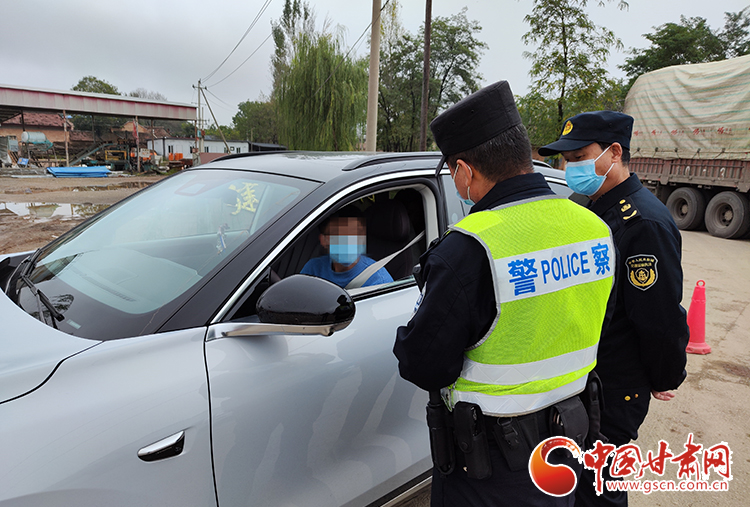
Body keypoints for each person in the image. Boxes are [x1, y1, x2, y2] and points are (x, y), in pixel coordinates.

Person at [393, 81, 615, 506]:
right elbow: (598, 316)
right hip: (569, 437)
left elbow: (424, 365)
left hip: (492, 467)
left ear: (464, 171)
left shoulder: (469, 248)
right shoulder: (594, 228)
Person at [539, 111, 689, 506]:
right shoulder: (583, 205)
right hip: (579, 376)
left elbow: (658, 317)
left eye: (579, 158)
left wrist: (665, 375)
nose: (571, 168)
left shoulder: (643, 223)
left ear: (614, 153)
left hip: (614, 385)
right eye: (566, 160)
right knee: (569, 482)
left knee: (600, 488)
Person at [301, 205, 393, 288]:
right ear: (324, 240)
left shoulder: (378, 281)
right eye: (338, 234)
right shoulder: (313, 270)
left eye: (353, 233)